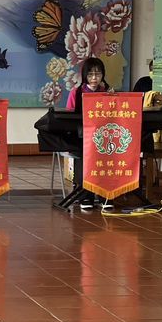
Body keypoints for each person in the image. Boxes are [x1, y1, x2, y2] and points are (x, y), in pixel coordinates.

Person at [66, 57, 113, 210]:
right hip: (82, 138)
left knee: (109, 155)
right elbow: (68, 117)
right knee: (84, 156)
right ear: (85, 76)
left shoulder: (108, 91)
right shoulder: (76, 92)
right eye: (90, 75)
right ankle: (86, 195)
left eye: (98, 74)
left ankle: (105, 194)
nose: (94, 79)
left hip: (103, 137)